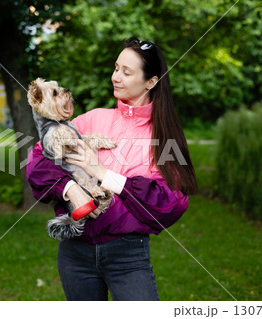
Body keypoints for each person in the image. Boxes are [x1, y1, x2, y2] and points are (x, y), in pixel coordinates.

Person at [26, 37, 198, 301]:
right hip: (75, 253)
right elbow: (38, 162)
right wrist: (71, 190)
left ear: (151, 82)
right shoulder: (92, 119)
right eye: (116, 68)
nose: (116, 77)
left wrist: (103, 174)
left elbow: (171, 203)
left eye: (127, 72)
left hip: (127, 256)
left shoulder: (164, 138)